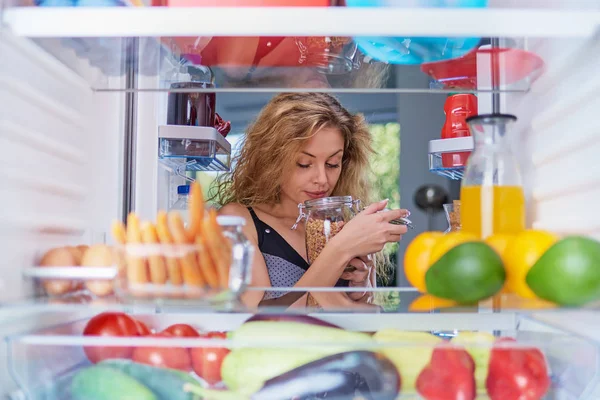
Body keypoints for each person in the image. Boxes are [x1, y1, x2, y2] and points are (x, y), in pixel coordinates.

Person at [214, 93, 409, 309]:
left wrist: (360, 292)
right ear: (272, 161)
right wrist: (339, 250)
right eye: (304, 164)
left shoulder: (342, 224)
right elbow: (256, 324)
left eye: (333, 164)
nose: (322, 180)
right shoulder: (238, 220)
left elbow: (367, 324)